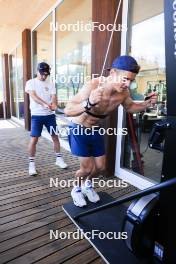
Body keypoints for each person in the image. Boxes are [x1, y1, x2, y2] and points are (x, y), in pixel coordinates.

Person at [64, 55, 157, 207]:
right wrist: (89, 103)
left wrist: (146, 104)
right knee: (87, 168)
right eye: (125, 79)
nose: (128, 84)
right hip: (79, 129)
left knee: (100, 167)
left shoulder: (123, 93)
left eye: (131, 80)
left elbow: (131, 107)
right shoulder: (93, 86)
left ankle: (87, 185)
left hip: (95, 129)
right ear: (113, 73)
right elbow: (68, 110)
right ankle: (76, 189)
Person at [25, 62, 68, 176]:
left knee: (55, 137)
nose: (44, 76)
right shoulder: (31, 82)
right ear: (38, 71)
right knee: (34, 140)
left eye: (46, 74)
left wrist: (54, 104)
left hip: (50, 116)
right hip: (37, 116)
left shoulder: (51, 83)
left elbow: (54, 97)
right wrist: (44, 104)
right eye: (42, 74)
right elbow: (33, 96)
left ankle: (58, 159)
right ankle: (31, 164)